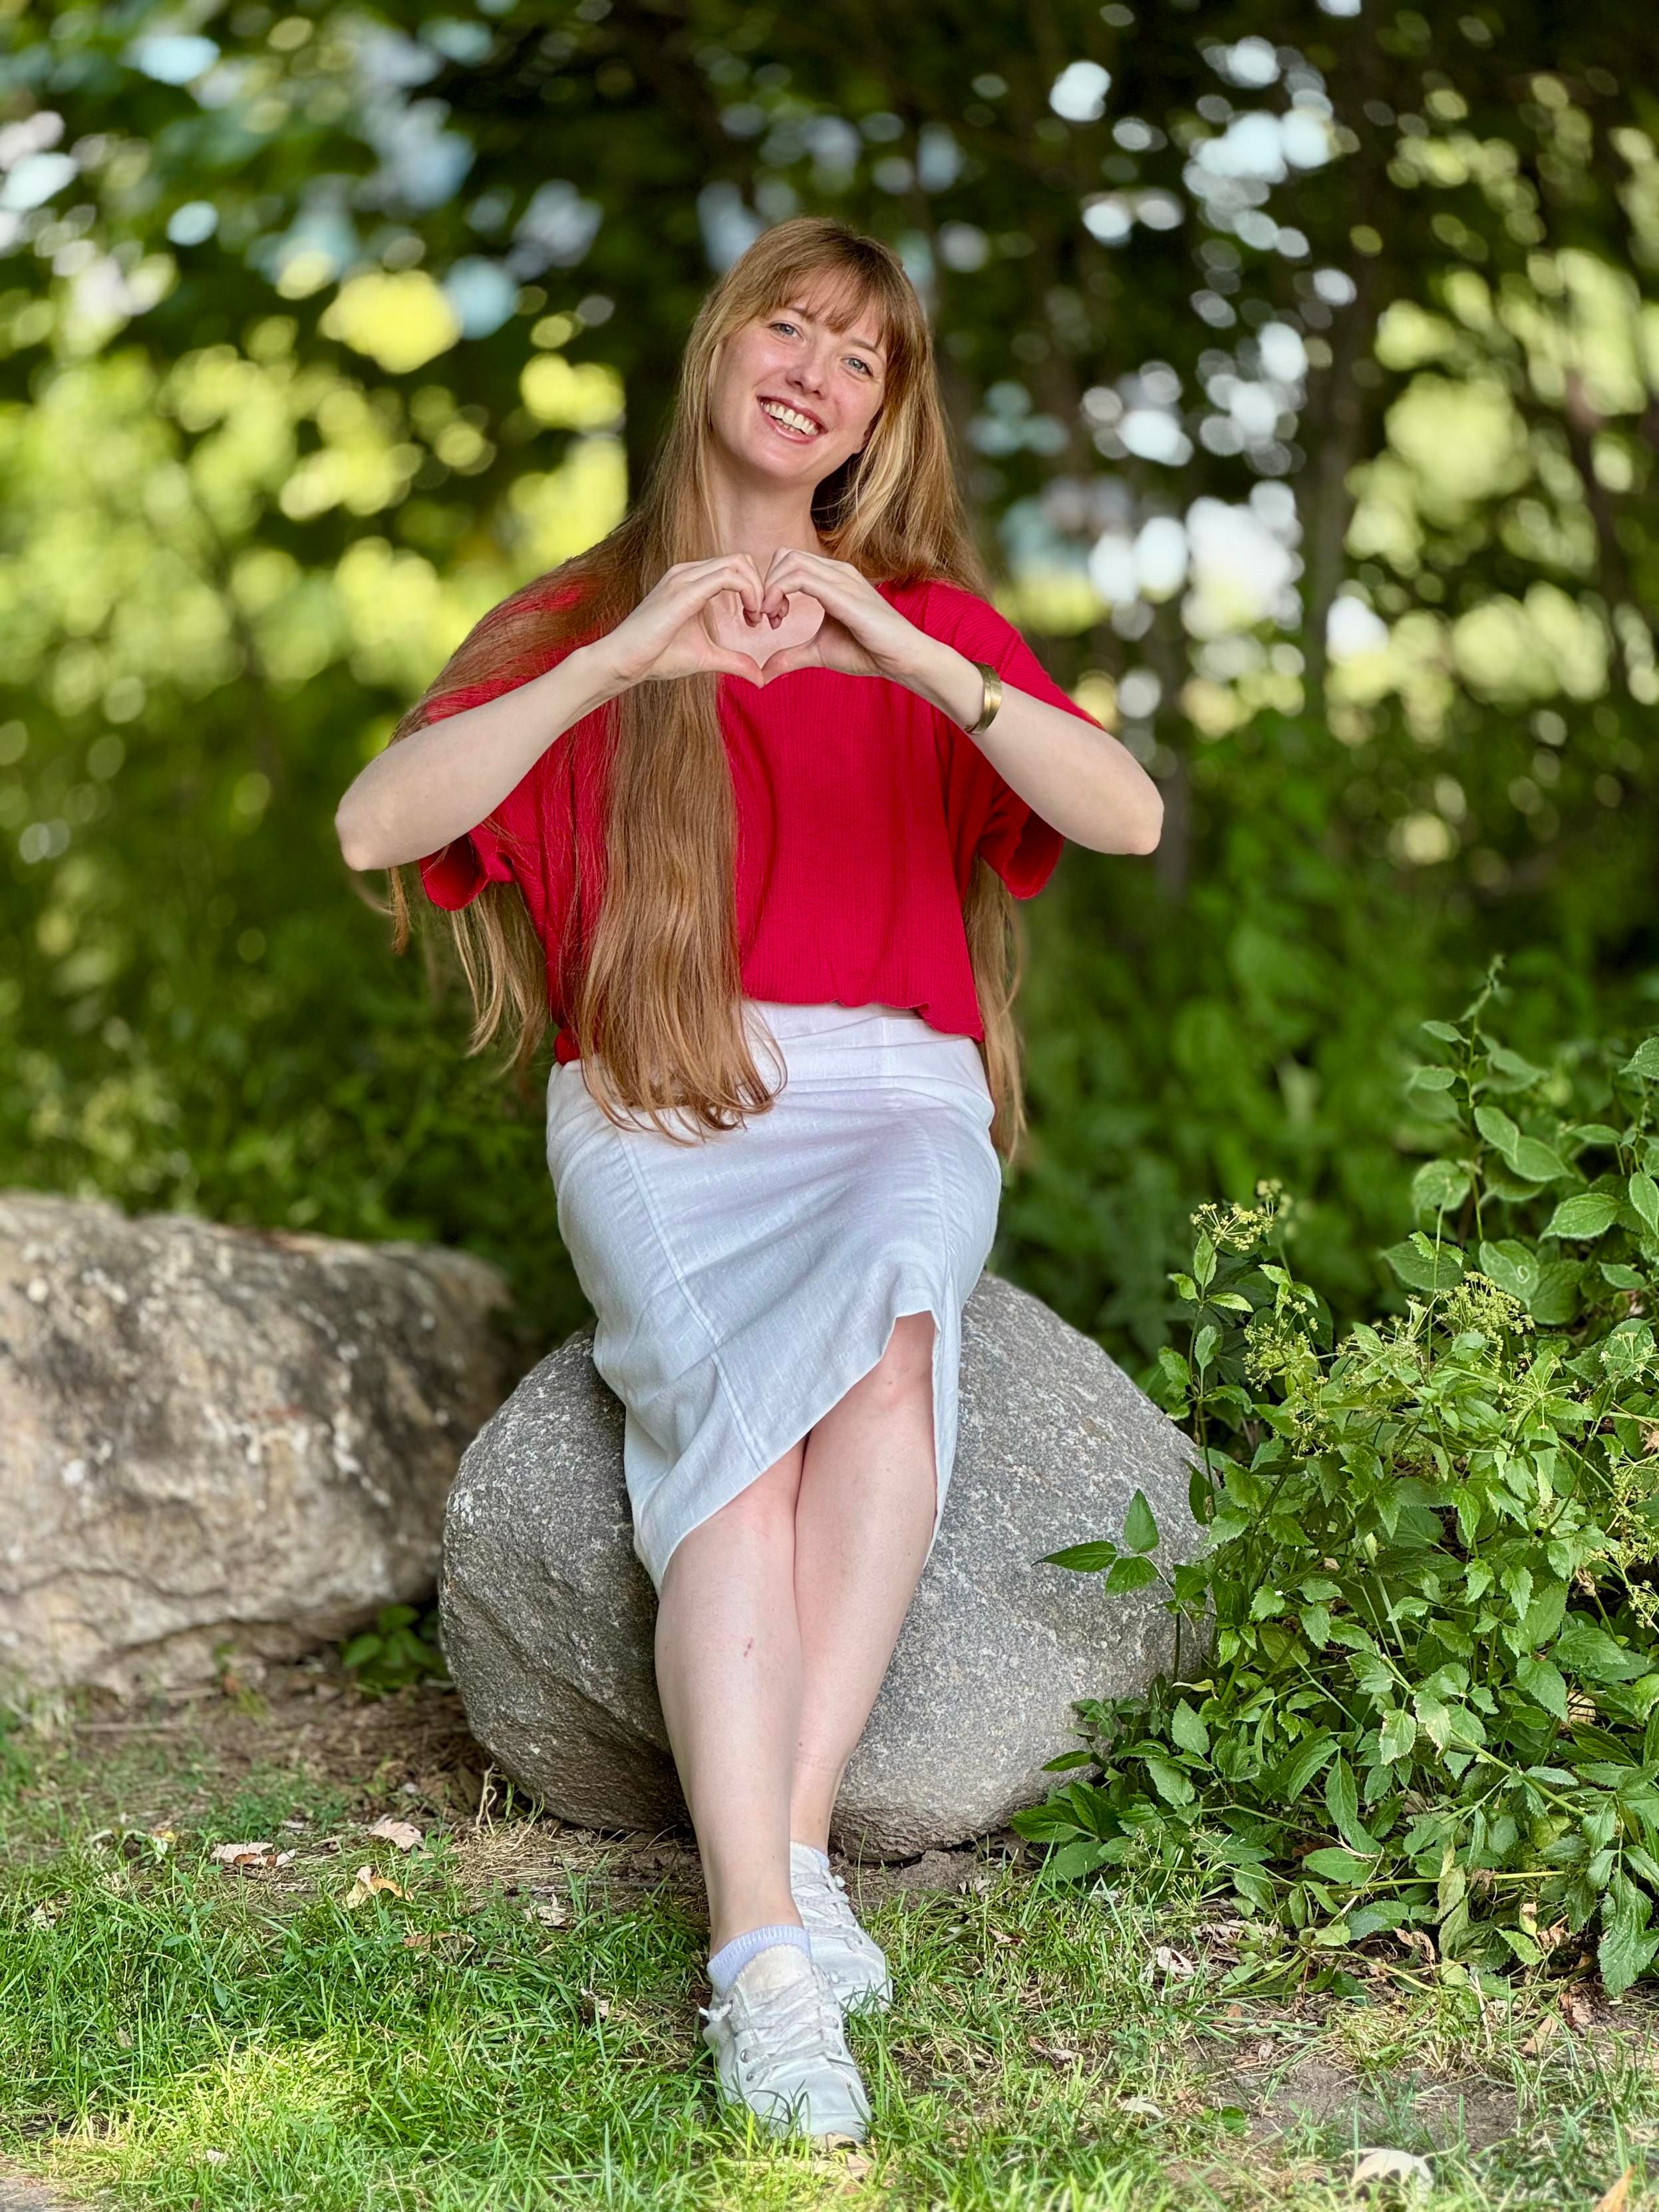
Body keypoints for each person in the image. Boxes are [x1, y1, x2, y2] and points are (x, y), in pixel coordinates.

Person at [335, 214, 1161, 2147]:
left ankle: (770, 1889)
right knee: (732, 1423)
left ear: (885, 414)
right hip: (661, 1105)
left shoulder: (924, 626)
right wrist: (631, 654)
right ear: (720, 345)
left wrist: (895, 639)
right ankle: (768, 1957)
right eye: (788, 322)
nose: (816, 366)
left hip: (891, 1094)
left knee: (889, 1329)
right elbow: (384, 819)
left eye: (862, 354)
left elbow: (1119, 814)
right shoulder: (573, 619)